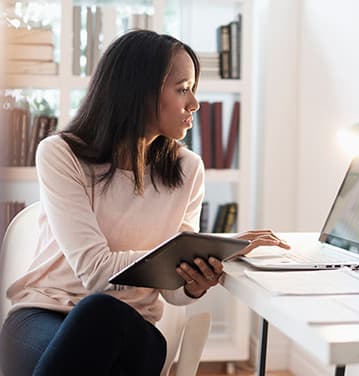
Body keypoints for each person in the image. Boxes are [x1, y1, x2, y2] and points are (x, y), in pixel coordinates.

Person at [0, 30, 289, 376]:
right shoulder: (61, 154)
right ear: (139, 92)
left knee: (102, 314)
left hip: (131, 328)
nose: (194, 103)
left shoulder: (187, 169)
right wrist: (181, 254)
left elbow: (173, 294)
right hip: (44, 315)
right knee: (96, 316)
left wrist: (193, 282)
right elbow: (94, 270)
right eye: (183, 89)